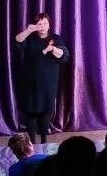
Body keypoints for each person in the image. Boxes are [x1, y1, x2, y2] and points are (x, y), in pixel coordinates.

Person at [14, 12, 69, 144]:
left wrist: (52, 49)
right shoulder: (30, 37)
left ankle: (44, 141)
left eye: (45, 23)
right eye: (39, 24)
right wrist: (28, 30)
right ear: (35, 25)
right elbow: (17, 40)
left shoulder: (55, 38)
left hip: (49, 81)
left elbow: (63, 54)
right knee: (31, 111)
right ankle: (32, 142)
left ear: (49, 25)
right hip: (30, 81)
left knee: (46, 110)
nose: (42, 26)